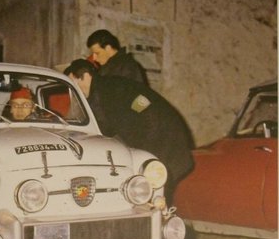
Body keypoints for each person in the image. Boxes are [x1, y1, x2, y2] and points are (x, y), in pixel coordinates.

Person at [65, 59, 194, 205]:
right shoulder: (107, 87)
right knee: (151, 197)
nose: (75, 90)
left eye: (74, 82)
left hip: (163, 142)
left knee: (155, 197)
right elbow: (108, 125)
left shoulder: (107, 90)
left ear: (85, 76)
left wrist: (142, 153)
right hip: (165, 138)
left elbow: (144, 116)